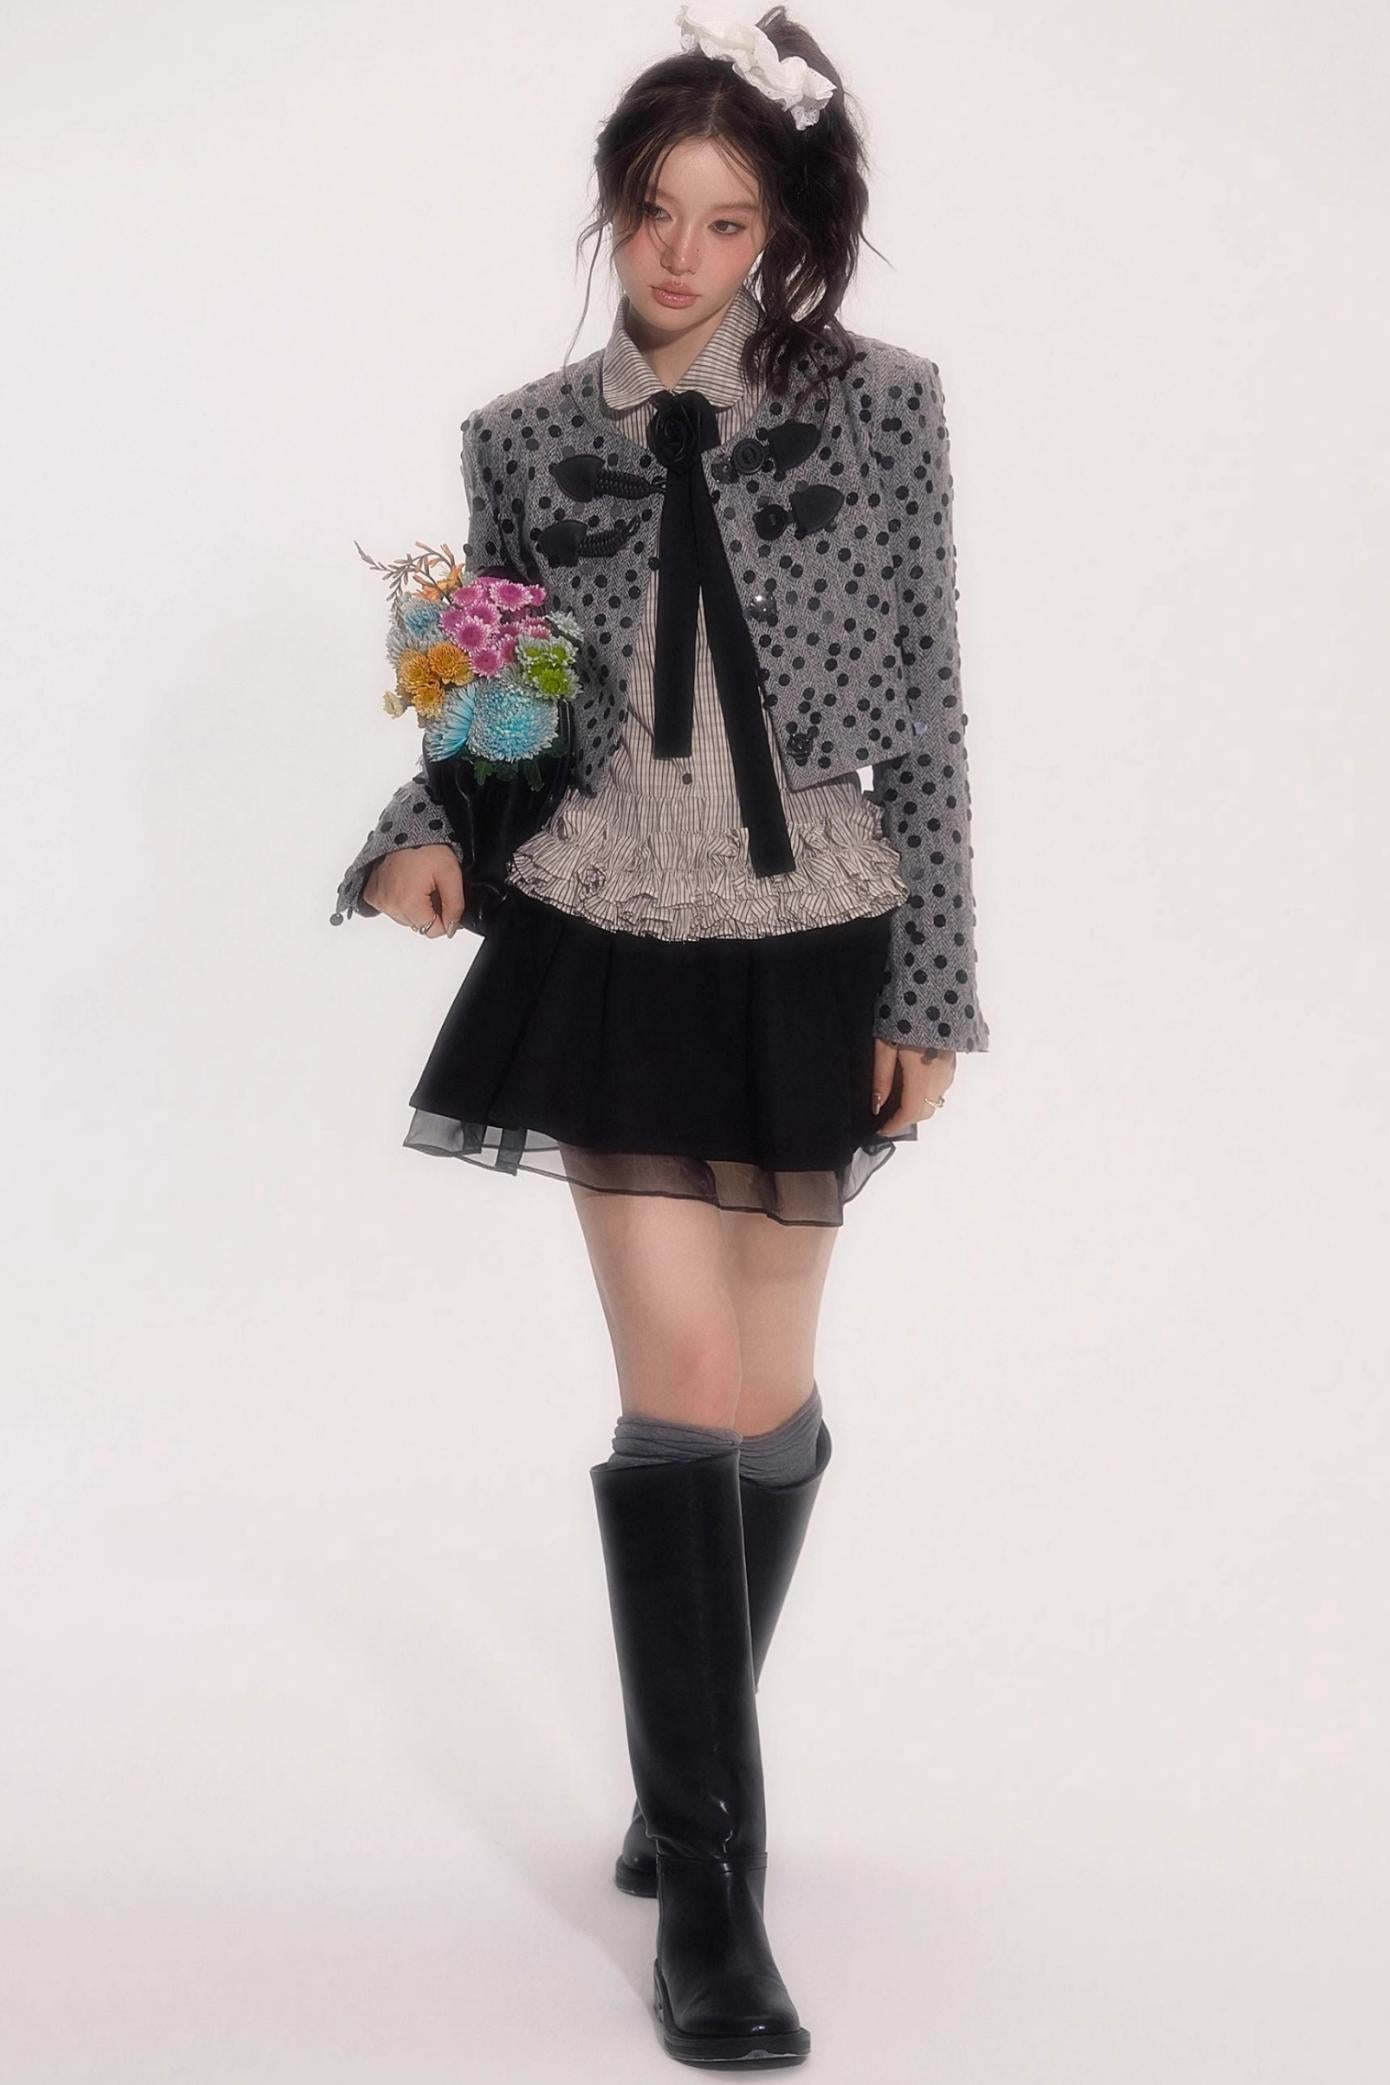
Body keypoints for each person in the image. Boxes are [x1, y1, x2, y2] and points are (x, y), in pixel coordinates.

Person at [330, 5, 990, 2067]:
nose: (684, 257)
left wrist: (931, 985)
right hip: (613, 912)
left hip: (815, 931)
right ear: (610, 215)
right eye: (653, 214)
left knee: (769, 1402)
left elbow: (928, 714)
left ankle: (672, 1768)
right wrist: (420, 828)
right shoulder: (525, 439)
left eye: (726, 222)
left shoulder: (882, 411)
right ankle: (713, 1891)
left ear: (779, 231)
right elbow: (499, 709)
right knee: (682, 1386)